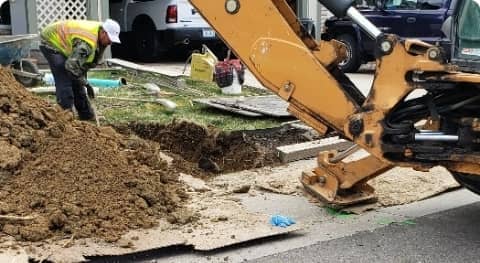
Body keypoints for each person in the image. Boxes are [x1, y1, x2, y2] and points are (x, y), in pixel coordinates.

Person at [39, 19, 121, 120]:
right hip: (50, 41)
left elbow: (80, 68)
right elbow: (71, 66)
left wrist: (83, 81)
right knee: (64, 76)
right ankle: (65, 113)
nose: (111, 43)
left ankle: (86, 114)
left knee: (77, 80)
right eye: (110, 39)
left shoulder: (98, 35)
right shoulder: (86, 44)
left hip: (66, 43)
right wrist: (86, 84)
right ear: (103, 33)